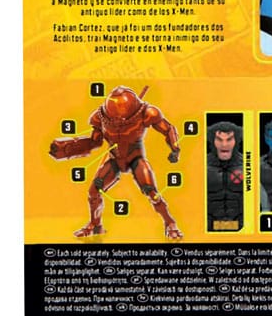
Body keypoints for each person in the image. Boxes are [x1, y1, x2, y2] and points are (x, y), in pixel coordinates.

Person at [49, 85, 182, 239]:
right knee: (94, 192)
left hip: (135, 158)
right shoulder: (100, 117)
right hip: (114, 159)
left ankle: (170, 223)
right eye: (114, 119)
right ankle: (95, 225)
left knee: (152, 192)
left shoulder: (147, 113)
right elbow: (95, 141)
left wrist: (175, 149)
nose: (118, 122)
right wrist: (70, 148)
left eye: (122, 119)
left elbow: (168, 129)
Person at [207, 120, 244, 231]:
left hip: (242, 228)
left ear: (236, 140)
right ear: (212, 140)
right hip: (208, 228)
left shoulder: (248, 165)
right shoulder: (201, 165)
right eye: (219, 140)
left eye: (229, 139)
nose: (224, 145)